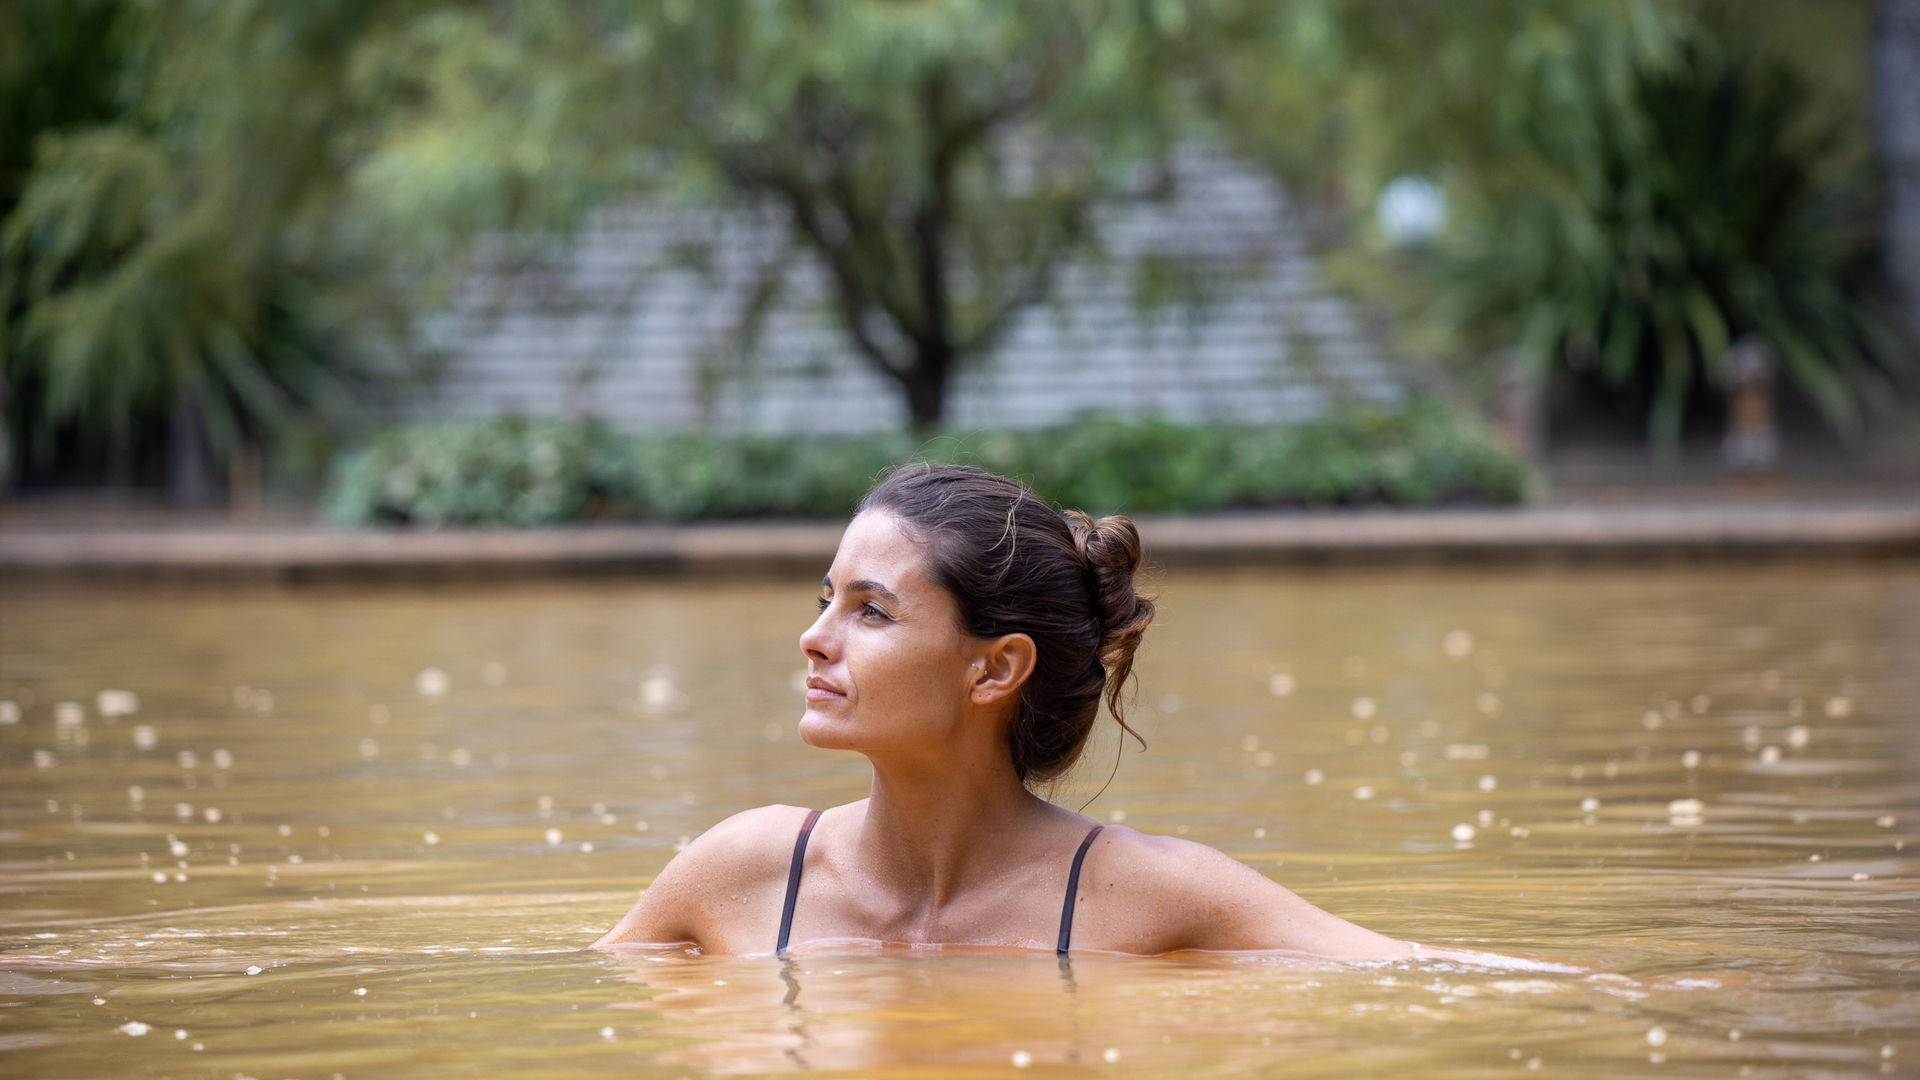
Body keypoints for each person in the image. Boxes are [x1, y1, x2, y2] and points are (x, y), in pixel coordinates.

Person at [595, 463, 1471, 960]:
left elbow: (1431, 976)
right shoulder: (743, 871)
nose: (813, 639)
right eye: (825, 600)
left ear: (995, 669)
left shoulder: (1147, 895)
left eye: (870, 611)